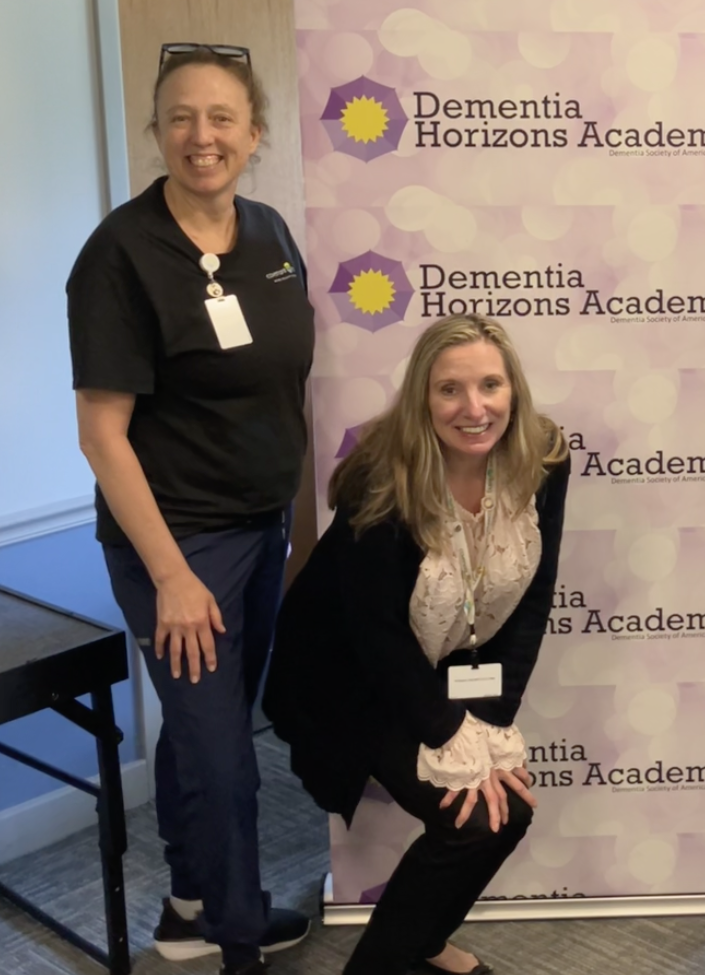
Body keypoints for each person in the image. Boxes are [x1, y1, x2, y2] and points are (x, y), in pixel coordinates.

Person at [67, 43, 313, 975]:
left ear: (254, 132)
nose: (200, 136)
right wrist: (170, 575)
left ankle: (187, 906)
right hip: (179, 543)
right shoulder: (120, 256)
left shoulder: (272, 234)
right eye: (180, 117)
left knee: (206, 723)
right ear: (157, 131)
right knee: (224, 756)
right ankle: (239, 942)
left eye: (221, 118)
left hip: (262, 526)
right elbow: (102, 434)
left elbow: (283, 386)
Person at [264, 315, 569, 975]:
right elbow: (373, 633)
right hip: (346, 678)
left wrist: (489, 722)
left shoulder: (544, 457)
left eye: (491, 385)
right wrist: (447, 730)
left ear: (514, 389)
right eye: (449, 390)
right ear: (421, 399)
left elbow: (533, 598)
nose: (474, 408)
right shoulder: (384, 476)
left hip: (443, 663)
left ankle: (425, 941)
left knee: (508, 812)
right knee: (473, 822)